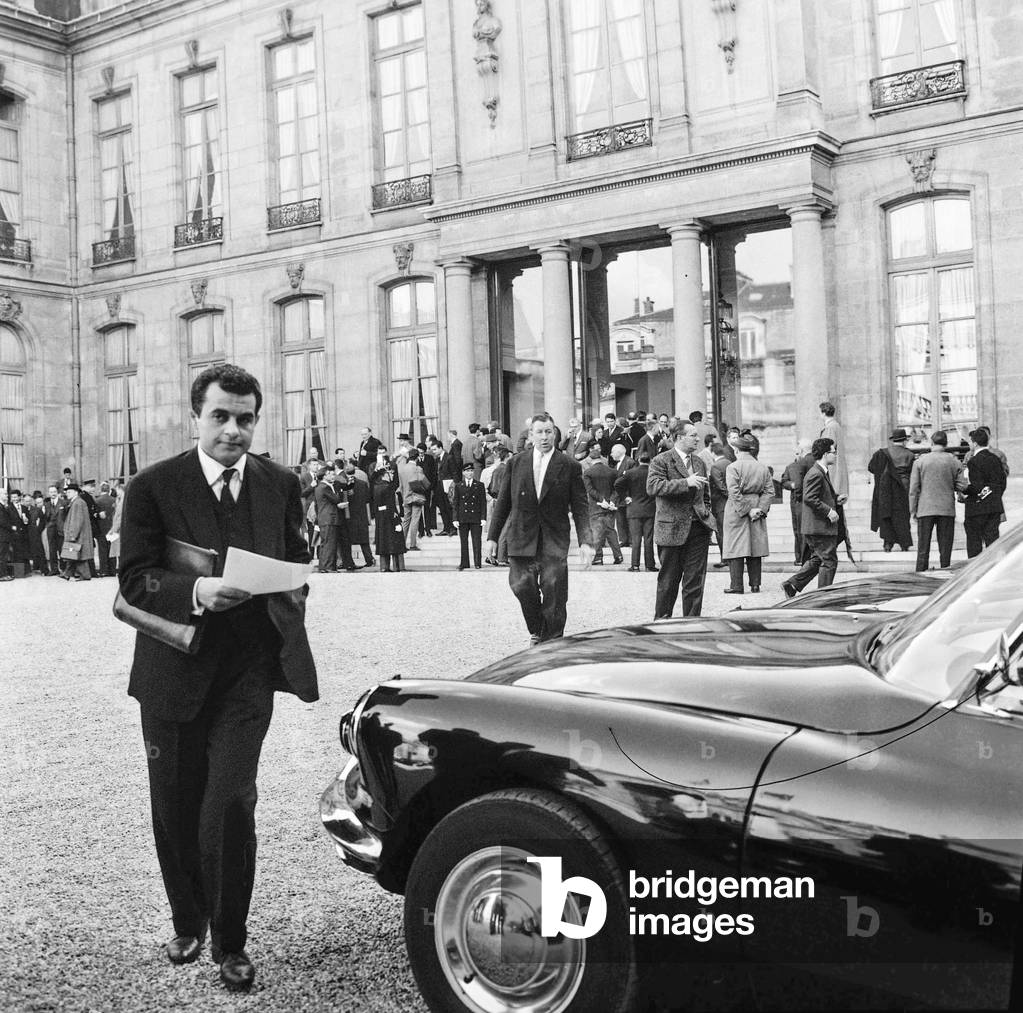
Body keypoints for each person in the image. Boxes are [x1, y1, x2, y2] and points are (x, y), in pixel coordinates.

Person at [118, 363, 318, 991]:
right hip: (173, 672)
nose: (234, 431)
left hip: (248, 674)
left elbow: (293, 564)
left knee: (231, 804)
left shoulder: (280, 483)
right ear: (196, 416)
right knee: (175, 808)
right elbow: (132, 581)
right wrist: (198, 589)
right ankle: (188, 919)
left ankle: (232, 941)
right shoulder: (152, 486)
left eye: (246, 419)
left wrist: (285, 588)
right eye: (221, 417)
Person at [486, 412, 594, 646]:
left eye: (549, 431)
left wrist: (586, 540)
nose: (545, 437)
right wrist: (492, 537)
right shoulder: (516, 462)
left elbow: (580, 505)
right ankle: (538, 628)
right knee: (521, 585)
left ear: (554, 433)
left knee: (554, 589)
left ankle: (551, 640)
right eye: (539, 432)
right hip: (521, 534)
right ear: (531, 435)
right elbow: (503, 502)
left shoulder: (569, 465)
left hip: (553, 538)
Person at [647, 420, 715, 618]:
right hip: (671, 530)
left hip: (698, 529)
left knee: (695, 582)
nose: (698, 438)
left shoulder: (699, 462)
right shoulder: (661, 460)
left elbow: (705, 493)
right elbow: (653, 487)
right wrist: (686, 482)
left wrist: (705, 512)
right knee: (668, 581)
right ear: (679, 437)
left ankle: (691, 624)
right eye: (693, 435)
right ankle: (661, 622)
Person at [782, 438, 841, 598]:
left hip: (817, 526)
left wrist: (836, 500)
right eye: (833, 452)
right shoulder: (816, 473)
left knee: (817, 559)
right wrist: (829, 511)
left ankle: (792, 584)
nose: (835, 455)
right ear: (825, 454)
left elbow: (819, 495)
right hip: (819, 526)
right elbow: (810, 497)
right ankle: (822, 598)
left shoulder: (820, 471)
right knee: (829, 561)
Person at [721, 435, 774, 594]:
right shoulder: (762, 467)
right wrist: (760, 509)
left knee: (736, 547)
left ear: (736, 449)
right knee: (755, 546)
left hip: (737, 510)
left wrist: (746, 510)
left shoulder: (733, 467)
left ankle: (736, 585)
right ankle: (755, 584)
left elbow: (734, 492)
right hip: (757, 506)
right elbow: (769, 491)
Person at [909, 430, 967, 571]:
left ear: (932, 443)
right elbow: (963, 486)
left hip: (925, 508)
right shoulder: (953, 461)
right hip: (946, 508)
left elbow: (913, 489)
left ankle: (921, 575)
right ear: (946, 443)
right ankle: (945, 574)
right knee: (945, 548)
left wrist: (913, 510)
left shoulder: (920, 461)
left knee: (923, 548)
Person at [867, 428, 915, 552]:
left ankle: (888, 544)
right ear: (904, 441)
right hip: (903, 488)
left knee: (887, 515)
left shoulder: (882, 453)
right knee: (902, 516)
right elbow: (913, 472)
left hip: (886, 489)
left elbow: (871, 468)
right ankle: (904, 544)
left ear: (893, 440)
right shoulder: (910, 455)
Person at [962, 427, 1006, 557]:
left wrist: (964, 489)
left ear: (975, 443)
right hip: (994, 506)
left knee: (974, 545)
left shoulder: (973, 461)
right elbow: (1002, 483)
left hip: (976, 507)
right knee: (992, 544)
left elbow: (976, 486)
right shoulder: (996, 459)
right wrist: (994, 495)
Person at [615, 453, 656, 572]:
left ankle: (635, 565)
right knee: (649, 538)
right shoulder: (653, 472)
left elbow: (617, 484)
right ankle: (650, 565)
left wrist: (625, 497)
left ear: (638, 460)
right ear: (650, 460)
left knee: (636, 538)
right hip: (650, 508)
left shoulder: (630, 473)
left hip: (634, 508)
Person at [582, 448, 624, 566]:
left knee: (597, 531)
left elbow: (590, 490)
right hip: (610, 507)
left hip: (596, 506)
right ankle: (618, 555)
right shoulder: (613, 472)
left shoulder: (588, 472)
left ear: (590, 460)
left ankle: (598, 557)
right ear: (600, 458)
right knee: (610, 531)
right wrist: (611, 500)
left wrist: (602, 500)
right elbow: (617, 488)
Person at [780, 440, 813, 564]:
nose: (797, 455)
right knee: (797, 530)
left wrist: (798, 490)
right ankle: (799, 556)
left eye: (798, 453)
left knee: (802, 530)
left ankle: (804, 557)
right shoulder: (790, 467)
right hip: (796, 502)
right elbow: (784, 481)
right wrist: (791, 485)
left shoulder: (805, 464)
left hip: (800, 500)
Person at [371, 459, 406, 572]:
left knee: (383, 542)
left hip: (381, 517)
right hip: (390, 517)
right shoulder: (388, 487)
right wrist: (396, 521)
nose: (392, 475)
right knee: (395, 542)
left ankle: (384, 566)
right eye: (390, 473)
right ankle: (398, 566)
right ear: (384, 475)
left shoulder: (376, 487)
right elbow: (391, 506)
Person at [453, 461, 486, 569]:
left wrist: (483, 517)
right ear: (463, 473)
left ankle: (477, 563)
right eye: (467, 471)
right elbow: (456, 503)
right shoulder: (459, 486)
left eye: (471, 471)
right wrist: (455, 518)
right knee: (464, 541)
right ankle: (464, 563)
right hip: (463, 517)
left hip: (475, 517)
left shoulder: (479, 485)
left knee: (477, 541)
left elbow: (483, 503)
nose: (470, 473)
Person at [59, 485, 93, 581]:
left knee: (77, 554)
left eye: (69, 492)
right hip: (79, 533)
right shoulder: (77, 502)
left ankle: (84, 575)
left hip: (78, 534)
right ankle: (68, 573)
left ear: (75, 492)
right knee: (74, 553)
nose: (67, 494)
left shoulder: (77, 503)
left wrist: (73, 535)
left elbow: (77, 520)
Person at [344, 464, 374, 568]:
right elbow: (368, 499)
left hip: (349, 516)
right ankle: (369, 559)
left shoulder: (345, 484)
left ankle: (349, 561)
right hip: (361, 515)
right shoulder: (363, 484)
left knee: (347, 541)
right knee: (364, 540)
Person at [818, 401, 849, 501]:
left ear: (823, 413)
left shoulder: (830, 427)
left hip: (832, 469)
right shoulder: (836, 425)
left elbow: (827, 449)